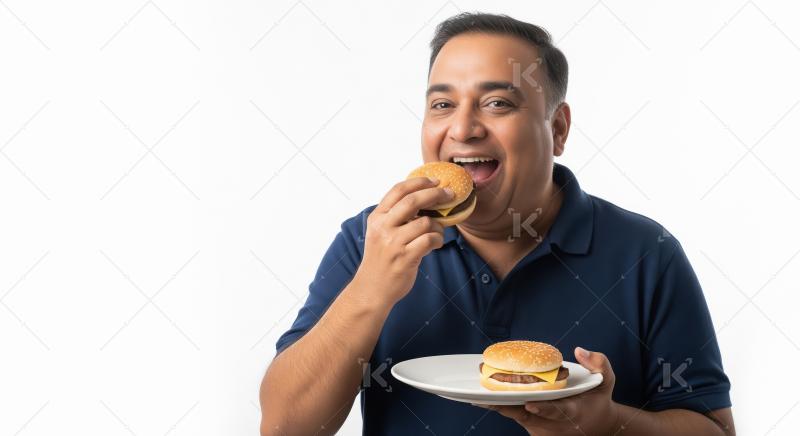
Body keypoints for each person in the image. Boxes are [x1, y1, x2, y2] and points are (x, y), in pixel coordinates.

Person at [260, 12, 735, 435]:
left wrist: (611, 426)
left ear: (559, 130)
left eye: (498, 104)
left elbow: (713, 428)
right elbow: (283, 428)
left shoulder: (646, 253)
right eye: (442, 105)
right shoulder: (371, 237)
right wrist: (371, 290)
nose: (463, 129)